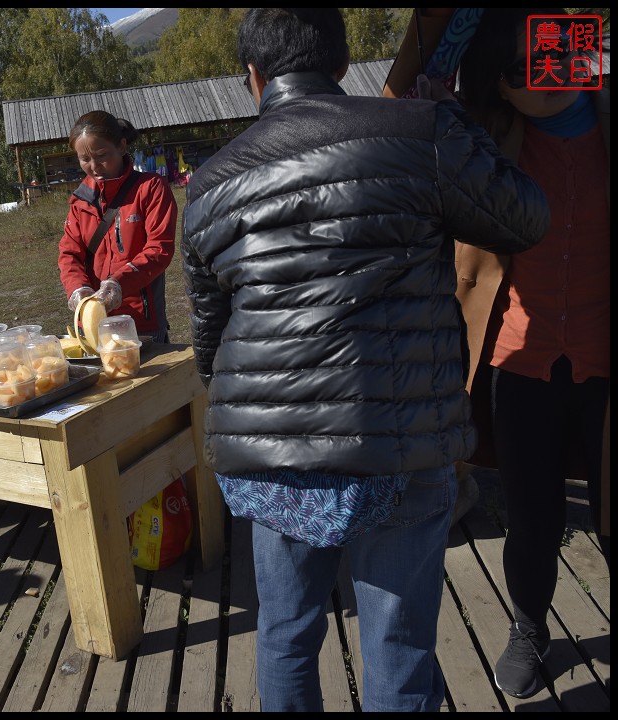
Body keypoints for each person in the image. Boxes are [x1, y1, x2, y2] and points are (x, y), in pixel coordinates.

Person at [181, 9, 549, 712]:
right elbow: (526, 217)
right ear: (343, 64)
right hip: (403, 445)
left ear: (252, 78)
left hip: (273, 457)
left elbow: (209, 337)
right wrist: (462, 124)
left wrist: (263, 418)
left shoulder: (210, 185)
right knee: (398, 642)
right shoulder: (423, 135)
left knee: (286, 635)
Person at [454, 8, 610, 699]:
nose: (541, 79)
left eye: (546, 56)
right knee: (532, 515)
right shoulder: (489, 140)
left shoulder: (607, 110)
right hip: (521, 361)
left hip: (608, 362)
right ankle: (529, 624)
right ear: (500, 90)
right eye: (518, 73)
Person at [58, 110, 177, 343]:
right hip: (93, 326)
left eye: (102, 155)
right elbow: (69, 254)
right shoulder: (81, 201)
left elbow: (159, 249)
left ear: (122, 146)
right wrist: (78, 289)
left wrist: (118, 283)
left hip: (141, 324)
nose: (94, 167)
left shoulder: (151, 189)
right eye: (85, 159)